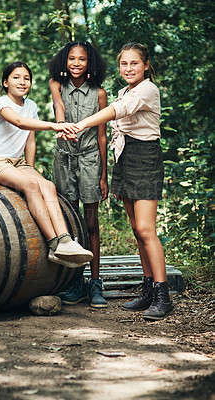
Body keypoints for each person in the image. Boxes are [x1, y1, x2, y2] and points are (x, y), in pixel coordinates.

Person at [74, 43, 173, 320]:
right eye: (124, 64)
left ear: (145, 66)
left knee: (145, 229)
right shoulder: (124, 90)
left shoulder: (147, 90)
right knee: (135, 228)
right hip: (126, 156)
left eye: (134, 64)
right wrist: (117, 169)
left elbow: (118, 111)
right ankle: (149, 290)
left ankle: (163, 297)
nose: (128, 69)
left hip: (145, 157)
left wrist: (82, 124)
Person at [0, 61, 93, 269]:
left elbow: (29, 140)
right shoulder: (0, 103)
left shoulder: (31, 106)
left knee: (47, 186)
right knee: (30, 186)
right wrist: (55, 125)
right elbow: (20, 123)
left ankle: (65, 241)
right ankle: (53, 244)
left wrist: (29, 168)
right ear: (5, 82)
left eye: (26, 78)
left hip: (17, 162)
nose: (22, 82)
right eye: (16, 77)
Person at [48, 42, 109, 308]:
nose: (76, 63)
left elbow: (102, 137)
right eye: (71, 58)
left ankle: (95, 283)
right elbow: (59, 106)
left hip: (90, 160)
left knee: (91, 222)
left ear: (90, 63)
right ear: (65, 61)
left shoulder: (100, 94)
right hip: (64, 159)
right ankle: (75, 282)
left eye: (81, 59)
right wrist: (61, 126)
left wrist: (104, 175)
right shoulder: (55, 84)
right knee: (71, 224)